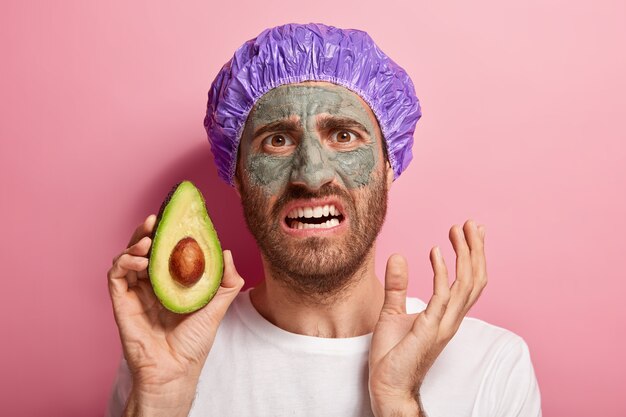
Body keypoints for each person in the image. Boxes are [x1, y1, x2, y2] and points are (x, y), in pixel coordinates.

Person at [106, 23, 541, 417]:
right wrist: (160, 401)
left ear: (390, 165)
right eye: (277, 140)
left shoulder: (492, 365)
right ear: (236, 174)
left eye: (344, 136)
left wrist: (399, 402)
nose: (312, 176)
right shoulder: (168, 358)